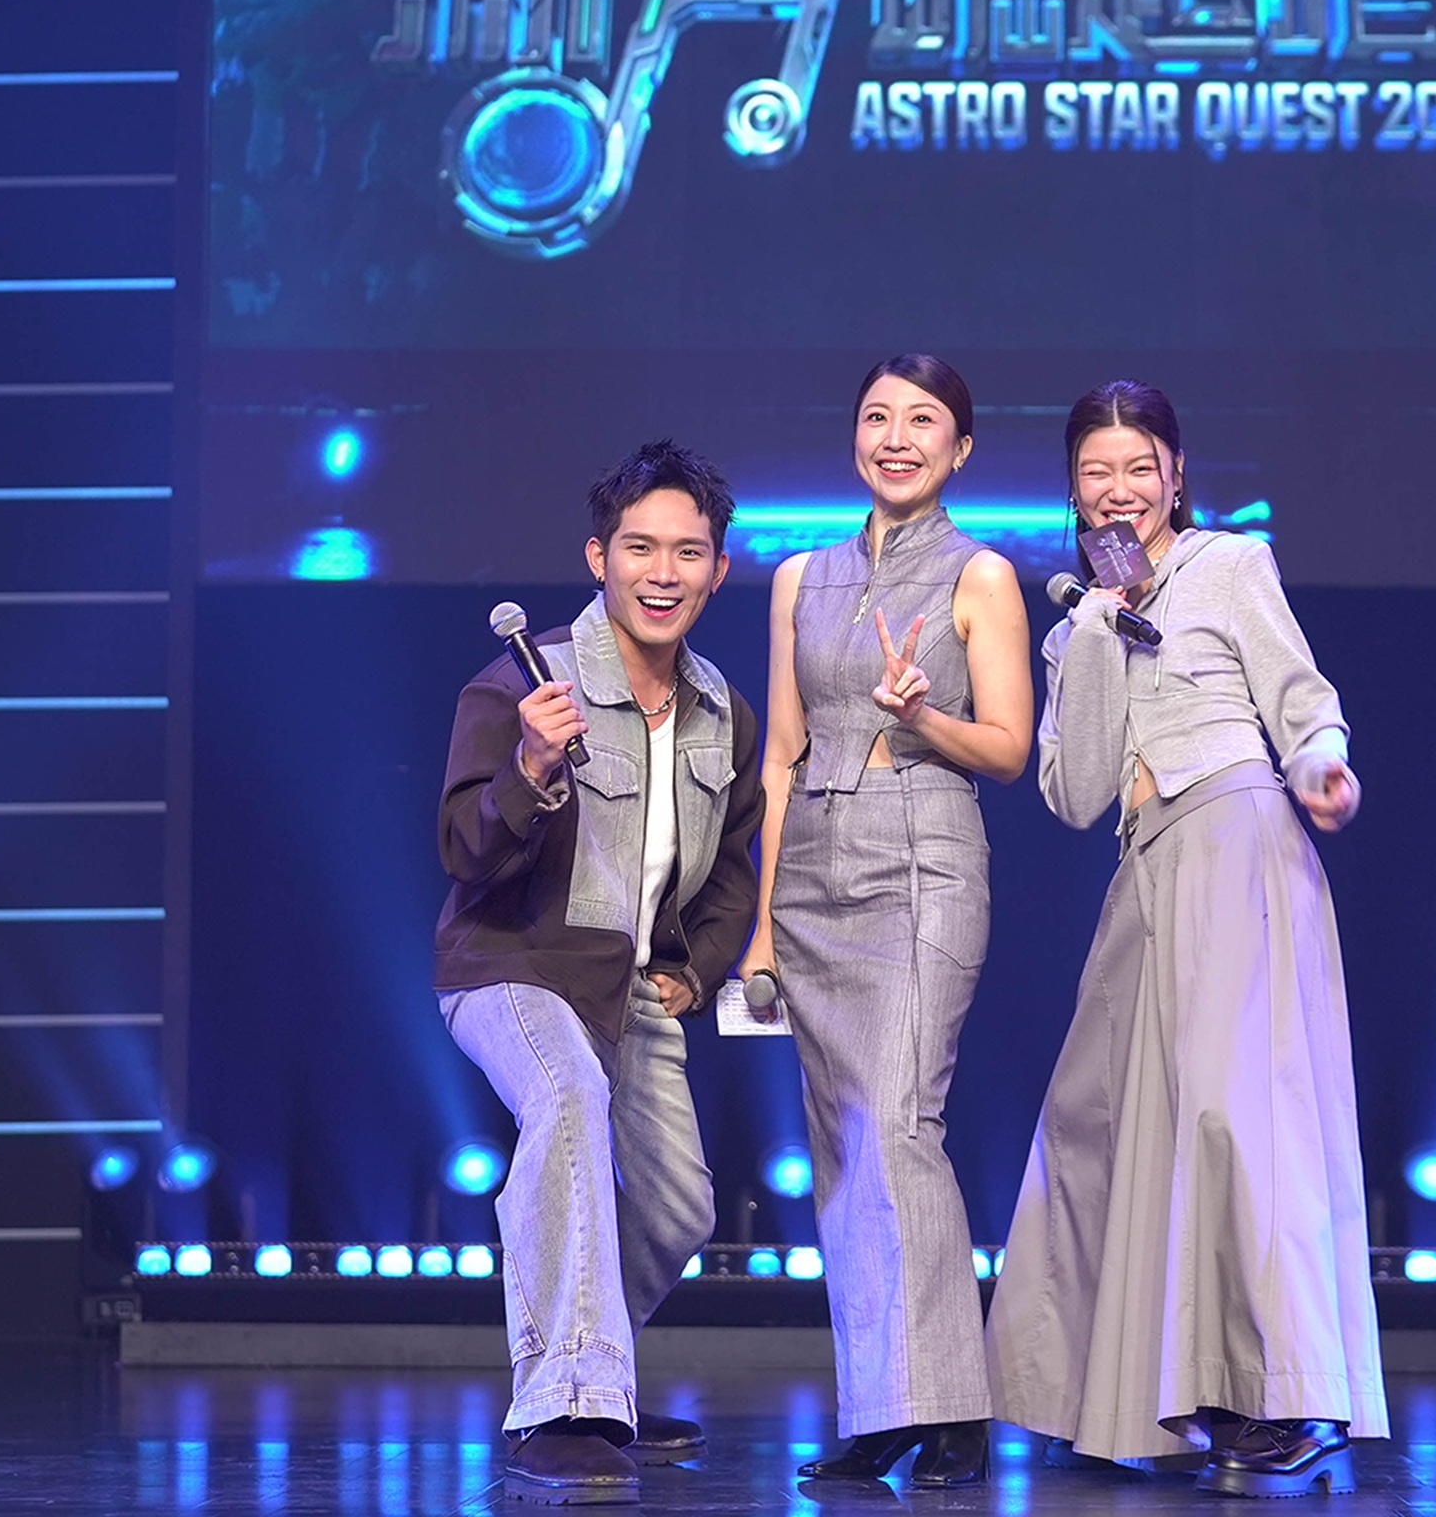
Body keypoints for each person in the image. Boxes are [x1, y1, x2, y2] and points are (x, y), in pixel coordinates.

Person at [985, 380, 1386, 1498]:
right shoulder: (1076, 625)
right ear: (1074, 490)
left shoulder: (1229, 565)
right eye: (1096, 472)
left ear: (1174, 476)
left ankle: (1291, 1399)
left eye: (1139, 468)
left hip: (1236, 839)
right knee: (1095, 1118)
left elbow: (1299, 697)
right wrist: (1097, 635)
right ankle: (1100, 1397)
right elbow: (1073, 793)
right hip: (1146, 868)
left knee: (1236, 1118)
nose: (1119, 490)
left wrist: (1322, 765)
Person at [435, 440, 764, 1506]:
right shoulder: (522, 681)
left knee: (679, 1210)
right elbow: (464, 855)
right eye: (639, 548)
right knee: (567, 1098)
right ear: (598, 557)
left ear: (718, 569)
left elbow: (734, 867)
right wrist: (530, 768)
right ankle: (566, 1403)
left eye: (688, 552)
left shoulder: (722, 710)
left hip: (631, 986)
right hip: (514, 965)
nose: (663, 573)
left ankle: (595, 1373)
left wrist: (697, 971)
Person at [735, 355, 1034, 1488]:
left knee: (900, 1125)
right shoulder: (797, 579)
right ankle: (886, 1404)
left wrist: (923, 717)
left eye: (922, 421)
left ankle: (947, 1409)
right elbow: (780, 755)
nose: (895, 438)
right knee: (845, 1146)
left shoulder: (980, 575)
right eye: (876, 417)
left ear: (961, 449)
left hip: (921, 859)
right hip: (811, 869)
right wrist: (763, 929)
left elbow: (1008, 748)